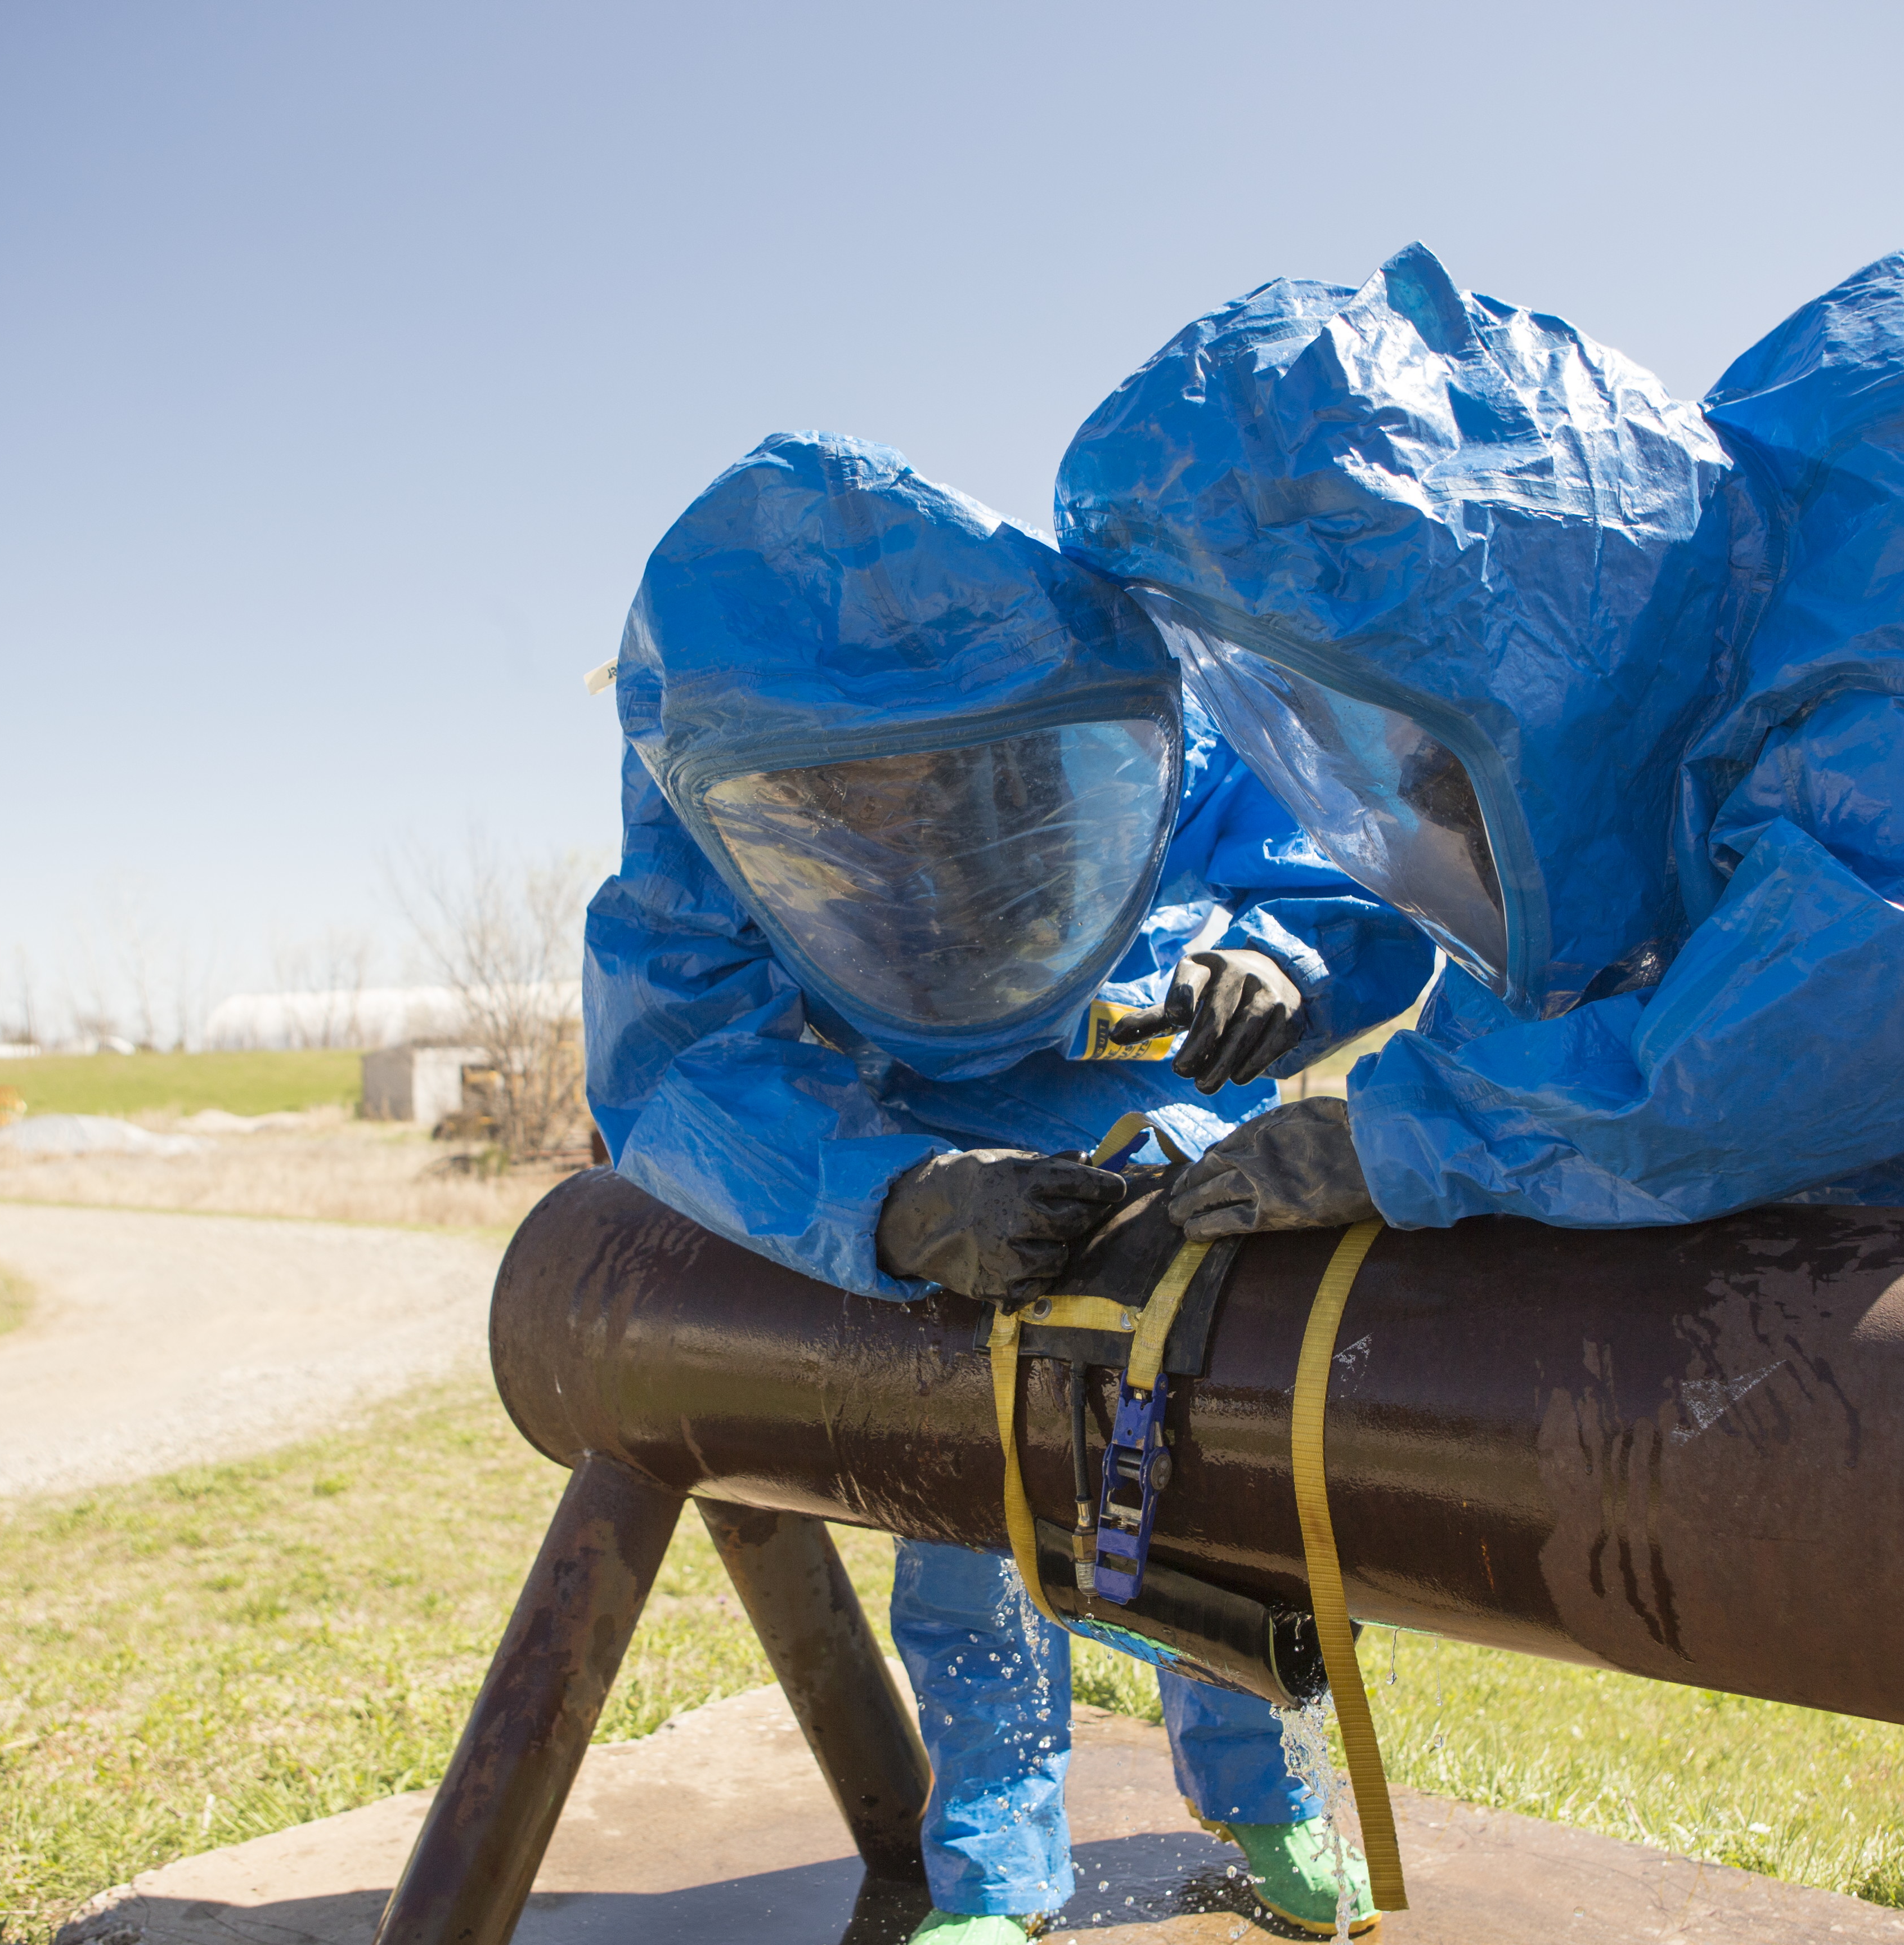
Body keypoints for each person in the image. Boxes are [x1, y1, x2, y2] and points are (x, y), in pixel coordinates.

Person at [1052, 239, 1904, 1945]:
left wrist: (1407, 1131)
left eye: (1418, 753)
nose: (1419, 815)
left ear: (1504, 632)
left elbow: (1835, 1005)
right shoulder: (1704, 694)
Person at [585, 431, 1436, 1942]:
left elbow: (1331, 844)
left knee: (1228, 1483)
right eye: (867, 795)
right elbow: (677, 1047)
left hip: (1177, 1144)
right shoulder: (718, 771)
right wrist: (892, 1198)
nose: (913, 813)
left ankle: (1268, 1794)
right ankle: (993, 1868)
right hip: (952, 1190)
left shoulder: (1102, 667)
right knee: (977, 1528)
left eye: (950, 776)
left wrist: (1282, 958)